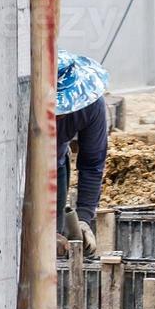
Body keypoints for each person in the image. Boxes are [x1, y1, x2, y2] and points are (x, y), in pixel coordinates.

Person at [56, 51, 110, 254]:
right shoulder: (17, 102)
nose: (58, 117)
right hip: (14, 167)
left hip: (55, 165)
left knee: (55, 239)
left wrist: (85, 218)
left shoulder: (90, 105)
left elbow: (92, 163)